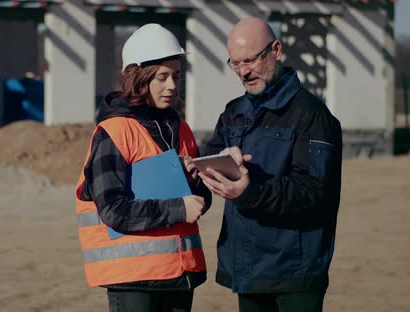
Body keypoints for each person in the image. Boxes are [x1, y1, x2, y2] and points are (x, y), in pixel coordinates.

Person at [199, 17, 343, 312]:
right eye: (235, 64)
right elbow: (206, 162)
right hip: (248, 272)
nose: (243, 72)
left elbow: (313, 190)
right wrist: (205, 167)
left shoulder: (312, 115)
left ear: (276, 50)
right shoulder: (233, 113)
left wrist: (249, 191)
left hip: (294, 275)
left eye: (250, 60)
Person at [75, 24, 212, 312]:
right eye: (162, 77)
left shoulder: (182, 129)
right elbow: (113, 209)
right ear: (139, 78)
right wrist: (177, 208)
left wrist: (195, 182)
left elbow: (199, 202)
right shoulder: (114, 131)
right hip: (135, 282)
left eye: (175, 75)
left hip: (181, 275)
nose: (172, 85)